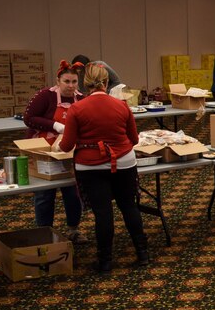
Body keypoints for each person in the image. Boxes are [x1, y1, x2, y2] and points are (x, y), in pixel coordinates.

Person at [57, 63, 147, 273]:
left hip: (90, 166)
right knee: (129, 206)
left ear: (85, 85)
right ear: (106, 83)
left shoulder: (77, 109)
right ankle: (143, 253)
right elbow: (134, 139)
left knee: (103, 213)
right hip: (124, 161)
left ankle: (105, 261)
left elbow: (66, 146)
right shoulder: (122, 106)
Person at [22, 60, 85, 243]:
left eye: (74, 82)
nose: (71, 86)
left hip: (68, 152)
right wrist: (56, 126)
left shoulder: (81, 98)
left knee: (72, 193)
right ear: (58, 81)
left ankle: (73, 229)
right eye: (66, 81)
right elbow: (29, 118)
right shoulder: (45, 96)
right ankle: (44, 234)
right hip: (43, 151)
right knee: (44, 194)